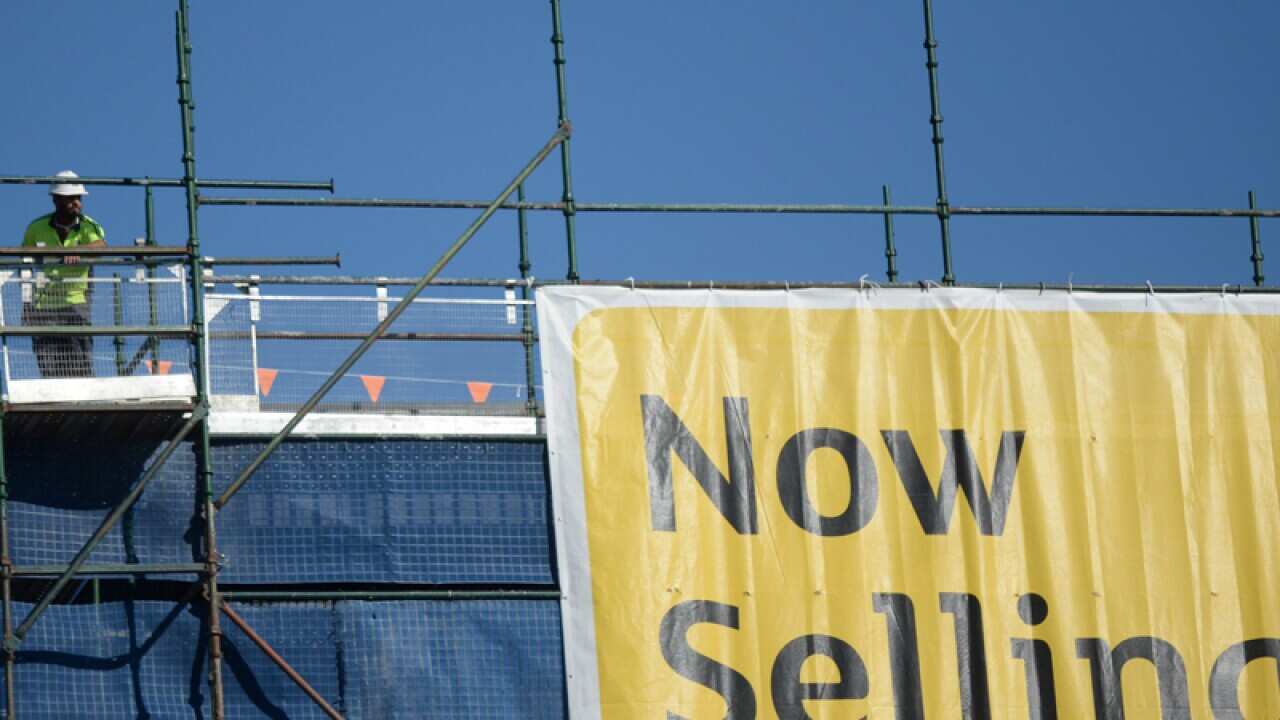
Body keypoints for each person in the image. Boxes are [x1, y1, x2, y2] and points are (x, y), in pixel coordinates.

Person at [21, 170, 105, 378]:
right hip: (43, 305)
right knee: (49, 364)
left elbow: (101, 246)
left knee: (80, 361)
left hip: (76, 302)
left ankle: (83, 405)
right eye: (72, 198)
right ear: (57, 200)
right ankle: (57, 407)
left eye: (79, 198)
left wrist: (78, 251)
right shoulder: (36, 228)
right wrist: (26, 305)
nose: (78, 203)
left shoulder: (88, 226)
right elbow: (24, 266)